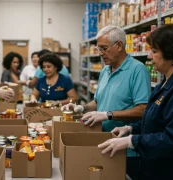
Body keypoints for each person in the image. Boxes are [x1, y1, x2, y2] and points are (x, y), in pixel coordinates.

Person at [97, 24, 173, 180]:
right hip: (157, 169)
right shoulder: (166, 83)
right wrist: (131, 128)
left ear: (171, 54)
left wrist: (132, 141)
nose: (149, 56)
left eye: (154, 51)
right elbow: (155, 120)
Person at [61, 25, 151, 180]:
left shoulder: (138, 70)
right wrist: (80, 108)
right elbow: (97, 102)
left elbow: (143, 110)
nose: (101, 53)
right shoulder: (105, 70)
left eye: (104, 48)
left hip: (126, 150)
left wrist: (108, 115)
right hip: (102, 143)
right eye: (98, 49)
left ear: (119, 45)